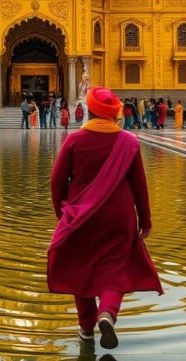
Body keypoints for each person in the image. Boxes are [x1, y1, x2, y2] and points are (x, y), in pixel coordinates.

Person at [47, 87, 162, 349]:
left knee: (81, 266)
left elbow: (56, 181)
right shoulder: (129, 142)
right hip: (118, 216)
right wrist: (145, 219)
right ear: (113, 114)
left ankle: (86, 328)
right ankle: (107, 313)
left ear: (89, 110)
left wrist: (62, 212)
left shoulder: (75, 140)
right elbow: (140, 186)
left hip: (81, 214)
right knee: (115, 267)